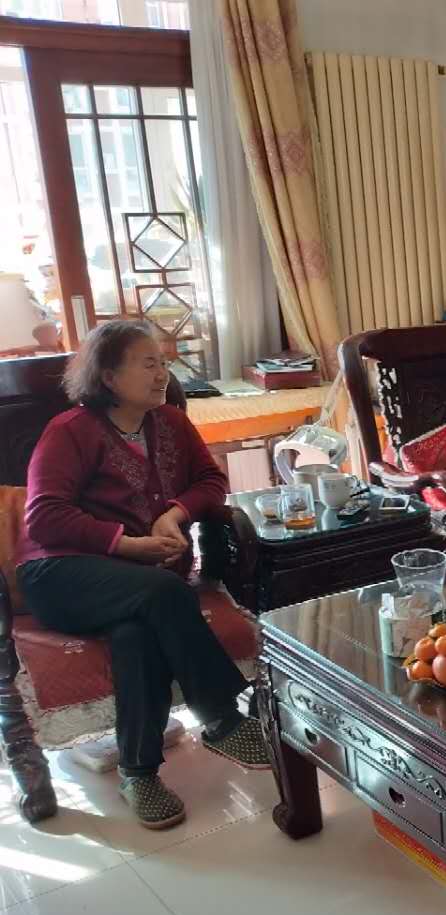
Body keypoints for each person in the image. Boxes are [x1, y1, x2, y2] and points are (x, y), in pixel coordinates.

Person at [17, 320, 270, 830]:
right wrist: (125, 544)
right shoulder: (70, 431)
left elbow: (211, 480)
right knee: (164, 592)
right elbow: (44, 517)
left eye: (164, 363)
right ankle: (222, 716)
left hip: (137, 586)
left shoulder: (171, 422)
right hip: (58, 576)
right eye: (149, 363)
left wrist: (175, 513)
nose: (163, 375)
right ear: (108, 376)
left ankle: (138, 773)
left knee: (136, 635)